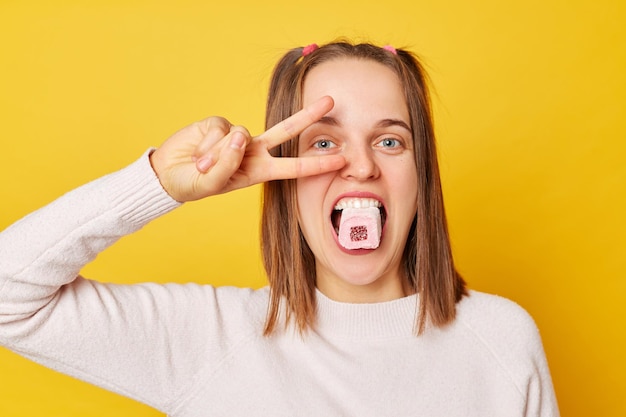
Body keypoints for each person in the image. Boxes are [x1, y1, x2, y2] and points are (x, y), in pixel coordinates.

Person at [0, 41, 559, 416]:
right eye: (323, 142)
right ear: (286, 180)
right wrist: (160, 185)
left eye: (390, 141)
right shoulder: (207, 340)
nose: (360, 166)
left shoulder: (502, 341)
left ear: (422, 178)